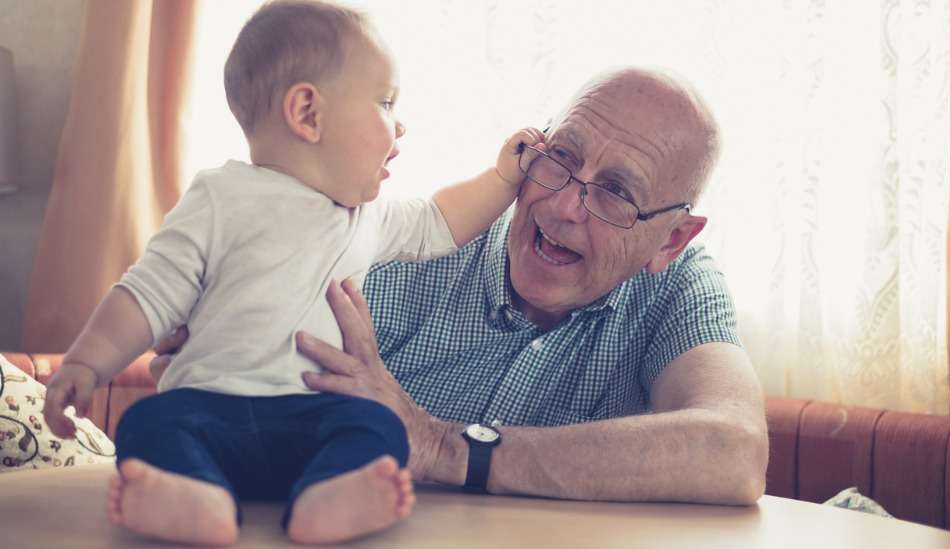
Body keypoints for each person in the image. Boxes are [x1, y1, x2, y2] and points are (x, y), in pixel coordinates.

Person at [41, 1, 541, 546]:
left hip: (315, 415)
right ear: (308, 112)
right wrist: (87, 362)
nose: (400, 124)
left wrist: (502, 177)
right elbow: (146, 295)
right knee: (149, 423)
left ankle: (329, 497)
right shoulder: (218, 198)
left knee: (380, 428)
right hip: (210, 408)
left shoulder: (366, 217)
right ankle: (194, 497)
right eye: (385, 101)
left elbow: (444, 221)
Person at [152, 66, 770, 506]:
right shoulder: (410, 249)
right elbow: (244, 361)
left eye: (614, 191)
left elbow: (734, 450)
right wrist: (221, 345)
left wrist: (441, 445)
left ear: (670, 240)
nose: (561, 208)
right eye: (558, 158)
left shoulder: (679, 288)